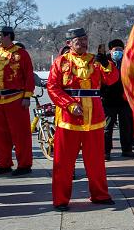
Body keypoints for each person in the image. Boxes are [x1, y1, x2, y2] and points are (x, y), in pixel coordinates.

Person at [47, 28, 118, 211]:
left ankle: (100, 195)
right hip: (68, 118)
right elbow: (53, 88)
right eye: (79, 41)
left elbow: (111, 80)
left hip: (94, 117)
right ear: (69, 43)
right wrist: (69, 104)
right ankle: (61, 200)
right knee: (63, 163)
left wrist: (108, 64)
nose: (84, 43)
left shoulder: (95, 60)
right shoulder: (60, 62)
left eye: (86, 40)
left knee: (96, 161)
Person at [0, 26, 35, 176]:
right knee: (0, 135)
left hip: (16, 99)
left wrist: (27, 96)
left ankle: (25, 165)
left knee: (20, 134)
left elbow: (29, 77)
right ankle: (3, 164)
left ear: (8, 36)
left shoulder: (22, 54)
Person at [101, 39, 134, 161]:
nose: (118, 52)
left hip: (124, 99)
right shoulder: (104, 61)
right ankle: (106, 151)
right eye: (115, 50)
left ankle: (127, 149)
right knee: (107, 127)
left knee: (126, 126)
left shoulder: (128, 61)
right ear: (110, 51)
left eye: (120, 50)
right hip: (108, 100)